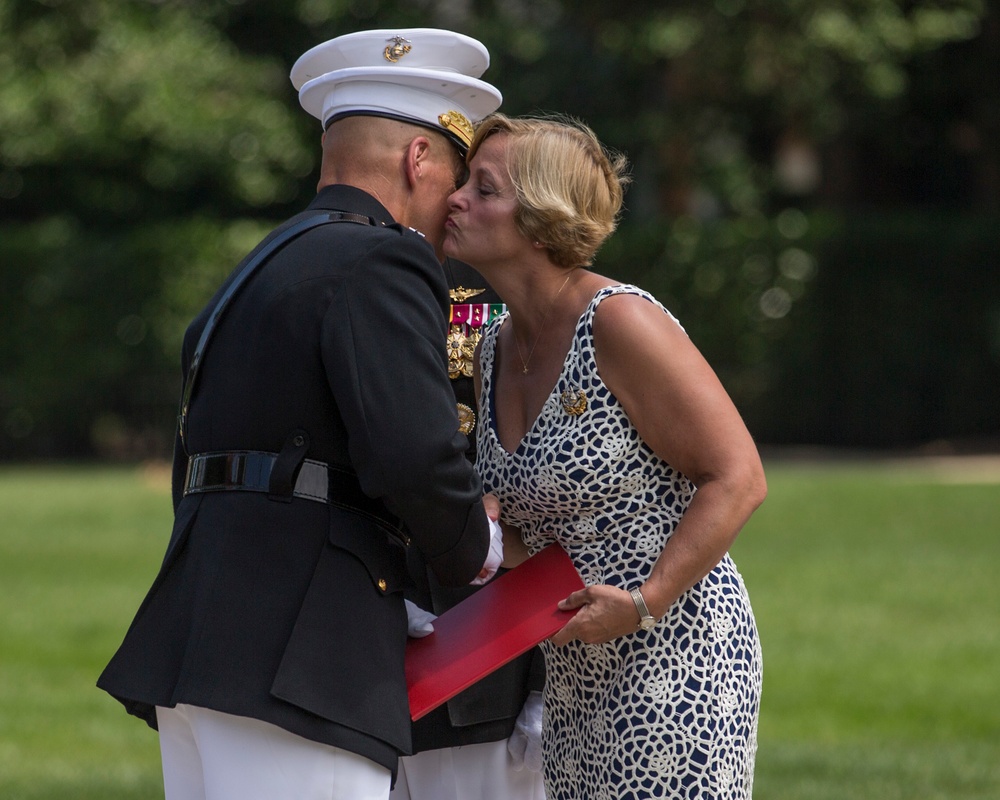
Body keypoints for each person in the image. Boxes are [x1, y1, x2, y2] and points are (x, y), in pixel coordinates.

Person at [97, 28, 504, 800]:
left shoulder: (261, 263)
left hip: (204, 637)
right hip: (300, 660)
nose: (454, 202)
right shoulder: (388, 257)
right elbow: (413, 452)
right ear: (419, 160)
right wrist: (474, 550)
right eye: (453, 173)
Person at [443, 113, 767, 800]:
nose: (455, 199)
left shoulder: (620, 321)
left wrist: (646, 602)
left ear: (539, 219)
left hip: (676, 654)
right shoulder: (493, 346)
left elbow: (738, 477)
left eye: (484, 188)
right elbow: (539, 522)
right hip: (573, 672)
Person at [390, 257, 546, 800]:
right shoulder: (349, 254)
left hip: (482, 661)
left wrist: (545, 682)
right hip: (358, 651)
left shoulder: (507, 268)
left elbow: (551, 494)